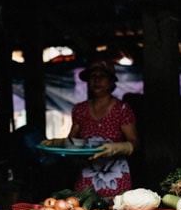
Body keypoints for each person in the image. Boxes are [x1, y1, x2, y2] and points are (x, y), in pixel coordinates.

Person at [42, 60, 137, 198]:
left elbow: (135, 142)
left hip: (116, 176)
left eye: (102, 76)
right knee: (84, 209)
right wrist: (57, 143)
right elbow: (72, 142)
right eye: (93, 76)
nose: (96, 80)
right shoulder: (80, 109)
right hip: (87, 173)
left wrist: (118, 147)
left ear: (111, 82)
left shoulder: (122, 109)